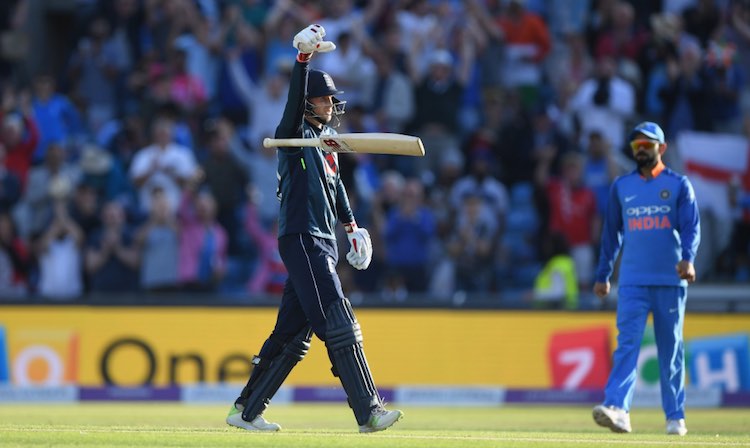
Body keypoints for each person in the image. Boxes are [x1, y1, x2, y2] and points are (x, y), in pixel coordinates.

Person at [225, 24, 403, 433]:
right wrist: (303, 60)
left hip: (322, 240)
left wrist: (352, 226)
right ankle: (369, 410)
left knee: (292, 334)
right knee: (337, 318)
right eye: (323, 99)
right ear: (307, 104)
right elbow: (292, 103)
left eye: (331, 100)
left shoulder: (326, 143)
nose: (330, 105)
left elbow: (336, 187)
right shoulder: (293, 134)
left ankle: (245, 410)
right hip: (301, 236)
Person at [591, 122, 700, 437]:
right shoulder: (622, 186)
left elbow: (691, 227)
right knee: (627, 345)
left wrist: (688, 259)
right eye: (636, 145)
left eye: (647, 144)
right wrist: (603, 274)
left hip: (669, 280)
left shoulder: (678, 185)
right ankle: (617, 409)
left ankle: (675, 416)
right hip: (633, 281)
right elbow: (611, 234)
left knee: (671, 350)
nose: (640, 149)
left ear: (661, 148)